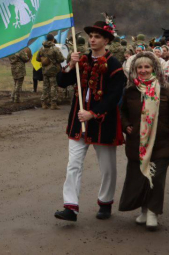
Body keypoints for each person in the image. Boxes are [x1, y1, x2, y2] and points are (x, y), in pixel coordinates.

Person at [54, 20, 126, 222]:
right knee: (73, 165)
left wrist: (93, 113)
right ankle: (71, 207)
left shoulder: (114, 65)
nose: (92, 40)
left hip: (102, 122)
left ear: (106, 40)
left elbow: (114, 97)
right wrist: (70, 64)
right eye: (90, 37)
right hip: (78, 121)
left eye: (97, 37)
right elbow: (61, 82)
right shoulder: (82, 60)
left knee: (107, 167)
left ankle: (105, 202)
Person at [119, 52, 169, 230]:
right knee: (141, 178)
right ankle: (144, 210)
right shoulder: (130, 90)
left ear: (154, 69)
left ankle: (153, 212)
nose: (143, 70)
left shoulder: (166, 89)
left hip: (162, 143)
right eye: (139, 67)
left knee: (156, 178)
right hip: (138, 143)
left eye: (147, 67)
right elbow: (121, 112)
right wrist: (126, 125)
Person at [37, 33, 65, 109]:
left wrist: (44, 60)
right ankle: (53, 104)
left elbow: (37, 59)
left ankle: (44, 103)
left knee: (45, 86)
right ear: (53, 39)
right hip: (53, 70)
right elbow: (61, 59)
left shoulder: (41, 48)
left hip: (44, 70)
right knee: (53, 86)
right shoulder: (55, 48)